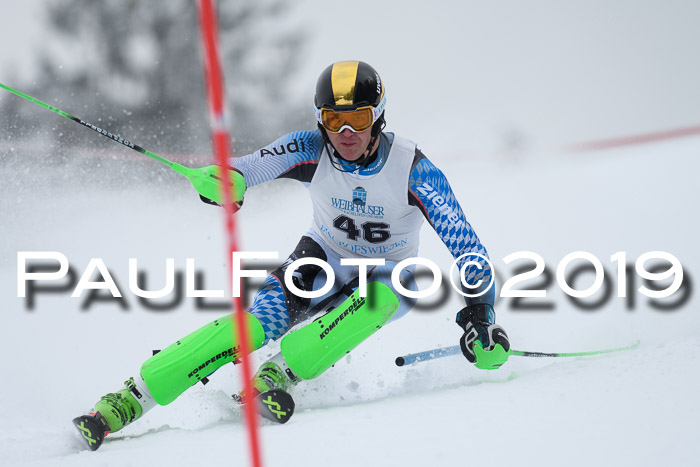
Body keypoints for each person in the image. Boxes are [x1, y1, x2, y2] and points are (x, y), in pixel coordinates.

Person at [73, 61, 510, 449]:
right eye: (333, 119)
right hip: (321, 259)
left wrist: (480, 316)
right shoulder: (310, 147)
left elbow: (466, 245)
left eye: (357, 118)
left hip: (386, 271)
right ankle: (125, 401)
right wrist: (226, 182)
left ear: (378, 117)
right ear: (320, 120)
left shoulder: (413, 168)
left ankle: (280, 374)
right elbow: (249, 166)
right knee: (254, 326)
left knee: (392, 293)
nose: (345, 133)